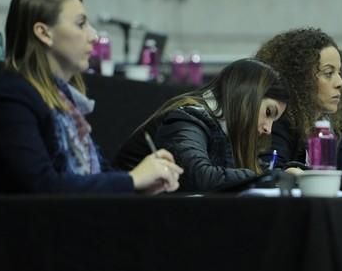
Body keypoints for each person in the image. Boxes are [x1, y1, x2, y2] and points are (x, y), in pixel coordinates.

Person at [0, 0, 182, 196]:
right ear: (44, 33)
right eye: (81, 24)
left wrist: (140, 184)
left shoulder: (63, 102)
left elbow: (98, 173)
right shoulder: (12, 99)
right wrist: (132, 179)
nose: (93, 36)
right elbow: (43, 187)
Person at [114, 58, 289, 192]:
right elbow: (199, 178)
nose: (268, 129)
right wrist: (268, 177)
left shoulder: (223, 126)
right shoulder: (188, 118)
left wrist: (289, 173)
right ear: (247, 97)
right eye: (268, 113)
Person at [255, 27, 342, 170]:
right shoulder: (276, 122)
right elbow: (271, 172)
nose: (340, 83)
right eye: (328, 73)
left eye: (339, 72)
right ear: (300, 79)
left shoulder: (322, 125)